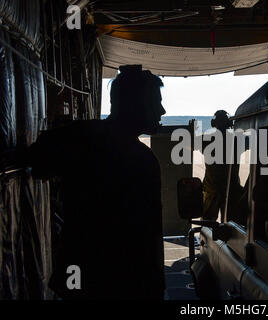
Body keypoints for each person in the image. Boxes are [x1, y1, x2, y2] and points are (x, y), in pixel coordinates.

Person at [26, 65, 166, 299]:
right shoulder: (142, 159)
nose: (162, 110)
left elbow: (37, 162)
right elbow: (146, 240)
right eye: (155, 102)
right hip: (126, 284)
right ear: (135, 104)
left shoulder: (82, 137)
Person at [200, 110, 235, 221]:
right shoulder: (236, 140)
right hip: (230, 188)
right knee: (232, 226)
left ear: (213, 123)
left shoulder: (206, 139)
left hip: (212, 188)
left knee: (207, 225)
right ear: (229, 124)